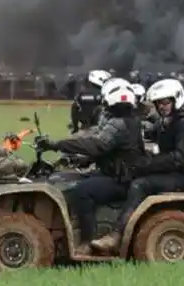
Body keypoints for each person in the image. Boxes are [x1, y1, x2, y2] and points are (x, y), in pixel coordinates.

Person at [91, 79, 184, 254]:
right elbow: (149, 131)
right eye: (158, 103)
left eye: (165, 102)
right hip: (176, 172)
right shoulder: (169, 120)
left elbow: (180, 158)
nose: (161, 107)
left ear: (177, 99)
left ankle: (116, 236)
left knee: (140, 184)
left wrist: (147, 164)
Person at [35, 81, 144, 256]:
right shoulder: (130, 121)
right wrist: (79, 160)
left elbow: (96, 145)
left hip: (120, 180)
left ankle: (87, 242)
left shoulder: (118, 124)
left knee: (82, 192)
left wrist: (57, 144)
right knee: (67, 179)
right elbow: (108, 150)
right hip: (117, 174)